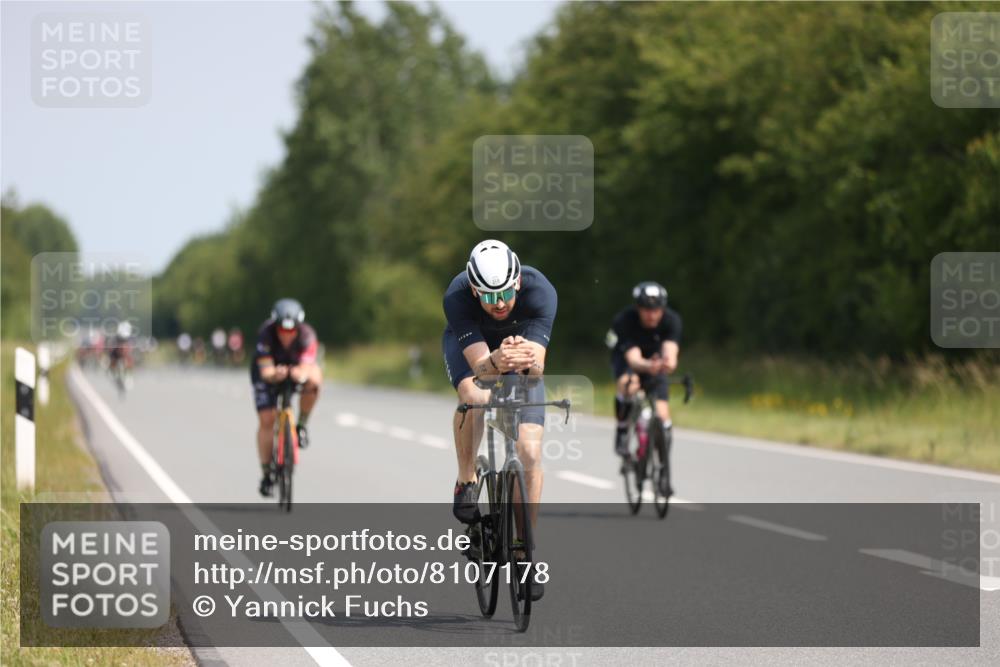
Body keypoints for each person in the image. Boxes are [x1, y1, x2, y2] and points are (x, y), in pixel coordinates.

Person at [442, 239, 556, 600]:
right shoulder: (457, 296)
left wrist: (523, 360)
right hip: (476, 353)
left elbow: (535, 370)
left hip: (517, 359)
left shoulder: (541, 292)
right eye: (489, 297)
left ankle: (524, 551)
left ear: (518, 282)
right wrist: (496, 361)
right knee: (474, 396)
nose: (500, 303)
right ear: (475, 290)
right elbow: (479, 371)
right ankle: (466, 480)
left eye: (505, 293)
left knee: (530, 452)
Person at [606, 281, 682, 495]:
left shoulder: (672, 321)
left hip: (655, 363)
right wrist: (650, 366)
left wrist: (667, 363)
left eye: (656, 310)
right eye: (647, 310)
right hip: (629, 360)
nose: (652, 315)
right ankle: (622, 428)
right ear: (638, 308)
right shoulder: (624, 321)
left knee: (663, 418)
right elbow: (634, 359)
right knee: (629, 386)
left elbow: (671, 352)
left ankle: (663, 473)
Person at [251, 298, 323, 497]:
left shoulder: (307, 335)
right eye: (282, 330)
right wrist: (275, 374)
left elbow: (307, 367)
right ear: (275, 326)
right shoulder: (265, 334)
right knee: (267, 419)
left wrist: (300, 374)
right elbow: (266, 371)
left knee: (314, 381)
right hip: (268, 371)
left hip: (295, 368)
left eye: (291, 331)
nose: (286, 335)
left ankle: (301, 425)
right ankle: (266, 473)